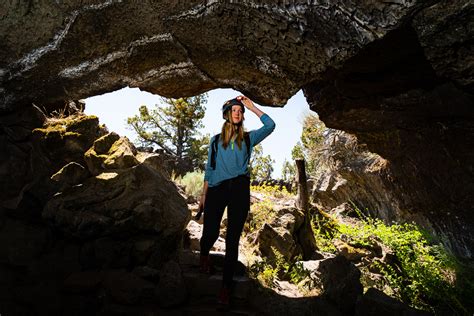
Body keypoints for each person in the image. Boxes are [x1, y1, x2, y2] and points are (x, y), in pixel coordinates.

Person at [198, 95, 275, 307]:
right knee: (211, 232)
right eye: (234, 110)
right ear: (226, 114)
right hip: (216, 189)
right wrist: (203, 195)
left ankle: (225, 288)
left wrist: (252, 106)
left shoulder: (249, 138)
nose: (238, 113)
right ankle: (204, 255)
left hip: (240, 189)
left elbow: (271, 125)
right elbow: (209, 168)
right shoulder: (215, 140)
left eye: (240, 111)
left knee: (232, 240)